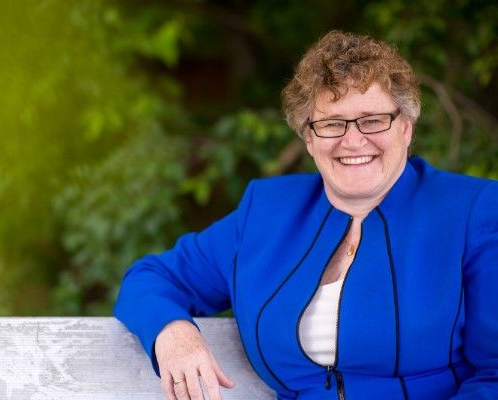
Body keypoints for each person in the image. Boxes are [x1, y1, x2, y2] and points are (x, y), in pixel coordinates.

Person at [114, 30, 498, 400]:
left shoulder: (474, 212)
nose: (353, 140)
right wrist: (173, 331)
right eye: (331, 124)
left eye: (373, 120)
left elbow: (494, 376)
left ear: (406, 129)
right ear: (309, 138)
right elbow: (151, 277)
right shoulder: (265, 212)